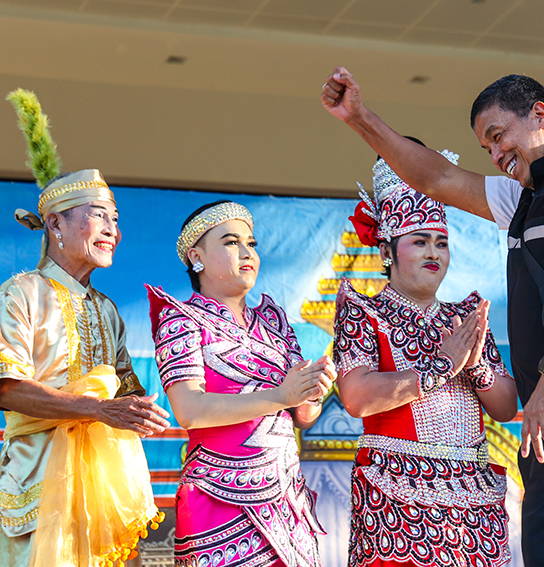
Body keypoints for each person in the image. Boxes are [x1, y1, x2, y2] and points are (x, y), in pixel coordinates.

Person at [323, 68, 544, 566]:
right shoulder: (525, 196)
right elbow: (436, 177)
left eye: (498, 137)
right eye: (487, 149)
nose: (496, 155)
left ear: (540, 115)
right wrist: (359, 118)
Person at [0, 89, 170, 566]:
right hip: (34, 489)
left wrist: (142, 412)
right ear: (55, 224)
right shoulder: (21, 293)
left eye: (116, 219)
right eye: (100, 216)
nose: (113, 229)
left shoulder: (108, 310)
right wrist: (98, 409)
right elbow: (7, 389)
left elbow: (125, 402)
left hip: (103, 497)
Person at [332, 150, 517, 567]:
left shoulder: (465, 318)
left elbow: (506, 407)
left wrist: (477, 367)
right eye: (419, 241)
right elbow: (358, 397)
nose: (434, 252)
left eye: (441, 243)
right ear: (388, 251)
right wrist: (439, 368)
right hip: (395, 497)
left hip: (474, 502)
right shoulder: (364, 313)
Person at [147, 200, 333, 567]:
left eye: (251, 243)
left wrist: (312, 391)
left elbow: (301, 416)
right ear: (196, 257)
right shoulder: (180, 319)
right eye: (231, 242)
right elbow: (190, 411)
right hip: (217, 498)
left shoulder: (273, 320)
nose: (246, 252)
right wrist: (281, 394)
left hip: (286, 498)